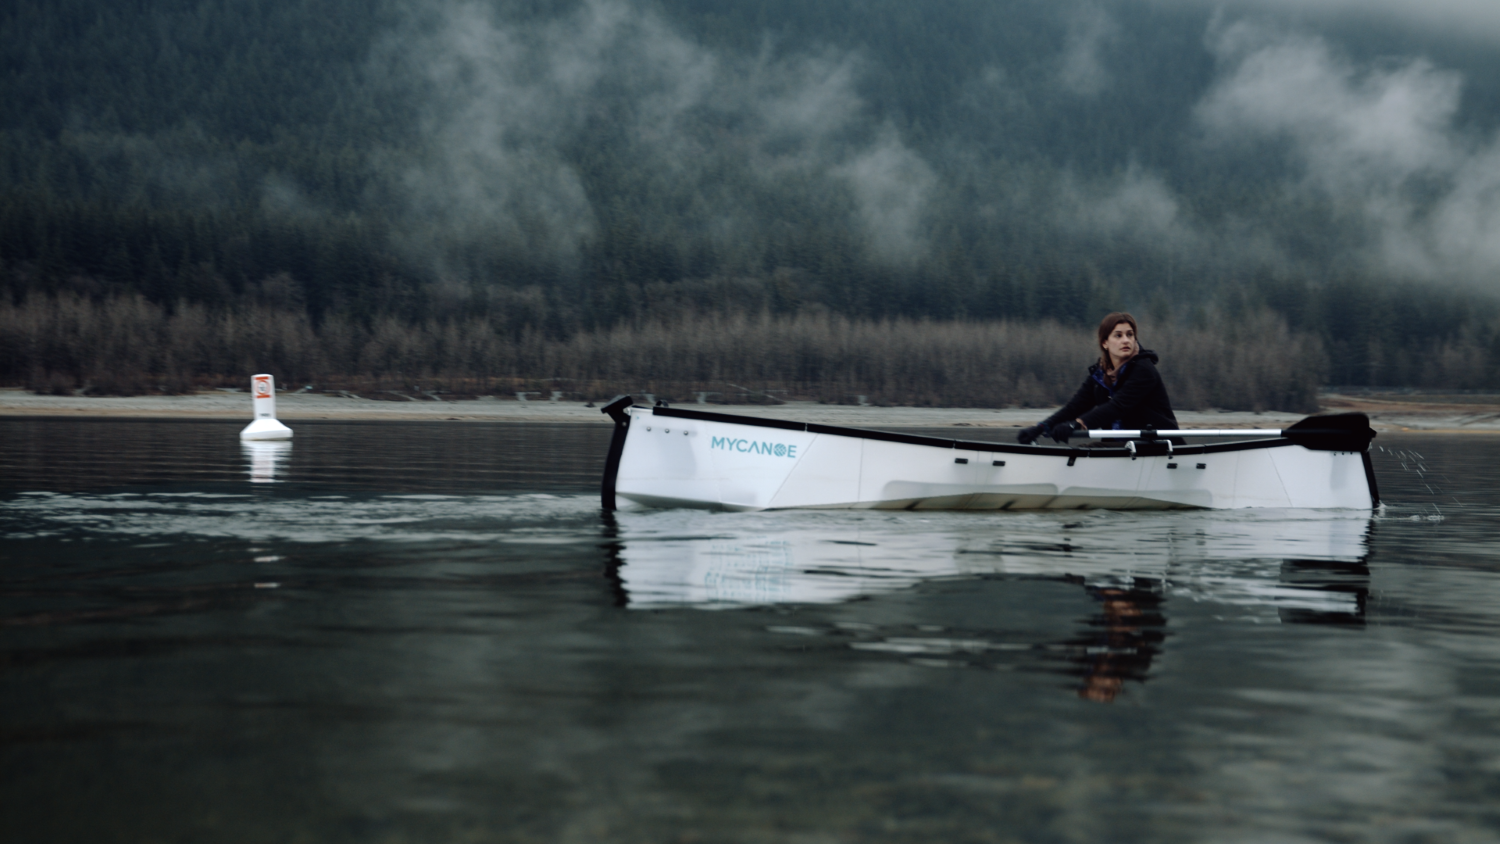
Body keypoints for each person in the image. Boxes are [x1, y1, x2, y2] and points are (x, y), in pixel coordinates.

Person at [1017, 312, 1178, 445]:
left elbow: (1117, 406)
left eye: (1130, 335)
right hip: (1124, 449)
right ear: (1105, 343)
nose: (1126, 340)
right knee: (1085, 452)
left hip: (1158, 446)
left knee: (1088, 452)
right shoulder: (1100, 374)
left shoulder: (1144, 369)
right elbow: (1074, 407)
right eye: (1118, 335)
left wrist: (1078, 424)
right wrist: (1041, 427)